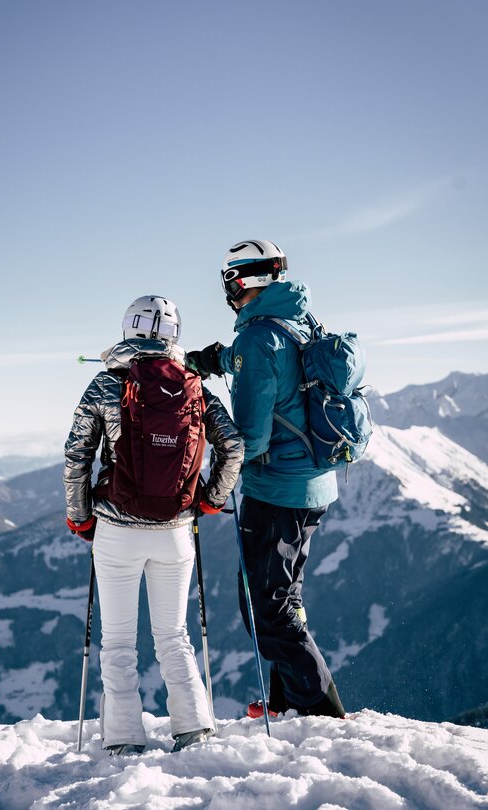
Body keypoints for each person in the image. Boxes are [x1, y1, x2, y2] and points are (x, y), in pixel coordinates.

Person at [64, 295, 244, 755]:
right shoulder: (195, 387)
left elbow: (77, 455)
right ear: (174, 337)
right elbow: (234, 447)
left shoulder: (107, 384)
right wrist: (209, 501)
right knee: (175, 635)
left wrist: (80, 516)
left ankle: (124, 739)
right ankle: (195, 729)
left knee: (119, 641)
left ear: (129, 329)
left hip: (117, 533)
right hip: (176, 531)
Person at [187, 240, 346, 719]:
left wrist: (208, 468)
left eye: (228, 281)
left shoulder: (259, 337)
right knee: (284, 597)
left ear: (240, 281)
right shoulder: (296, 319)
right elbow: (276, 371)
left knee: (265, 606)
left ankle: (319, 712)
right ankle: (286, 701)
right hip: (312, 481)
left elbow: (251, 439)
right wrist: (217, 359)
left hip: (276, 488)